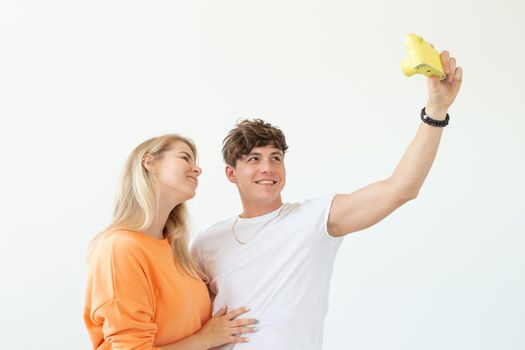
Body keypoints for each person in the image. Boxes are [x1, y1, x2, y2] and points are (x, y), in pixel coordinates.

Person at [191, 51, 463, 349]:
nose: (267, 168)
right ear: (231, 173)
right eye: (254, 159)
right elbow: (188, 320)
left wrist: (435, 110)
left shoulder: (314, 219)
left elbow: (400, 188)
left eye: (275, 158)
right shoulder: (207, 243)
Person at [84, 134, 258, 349]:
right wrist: (206, 338)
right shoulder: (119, 248)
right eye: (185, 157)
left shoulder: (176, 252)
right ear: (150, 162)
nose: (197, 169)